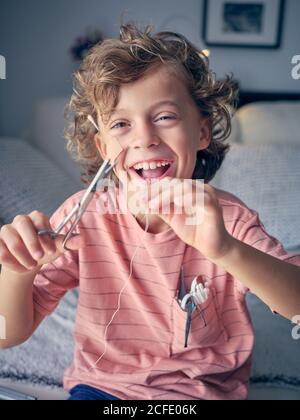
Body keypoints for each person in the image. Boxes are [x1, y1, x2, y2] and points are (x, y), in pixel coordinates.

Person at [0, 23, 300, 401]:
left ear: (202, 132)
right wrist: (16, 271)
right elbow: (7, 333)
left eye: (164, 117)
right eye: (121, 124)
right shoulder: (83, 217)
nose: (144, 138)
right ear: (104, 147)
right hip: (101, 390)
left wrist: (226, 250)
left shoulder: (230, 220)